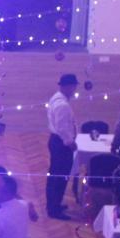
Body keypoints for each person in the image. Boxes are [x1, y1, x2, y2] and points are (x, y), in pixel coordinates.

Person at [45, 73, 78, 220]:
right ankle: (54, 209)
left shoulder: (56, 98)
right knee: (59, 176)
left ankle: (54, 204)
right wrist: (70, 142)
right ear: (68, 87)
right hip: (61, 144)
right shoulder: (62, 105)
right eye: (73, 86)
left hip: (56, 142)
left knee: (56, 175)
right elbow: (62, 128)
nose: (74, 90)